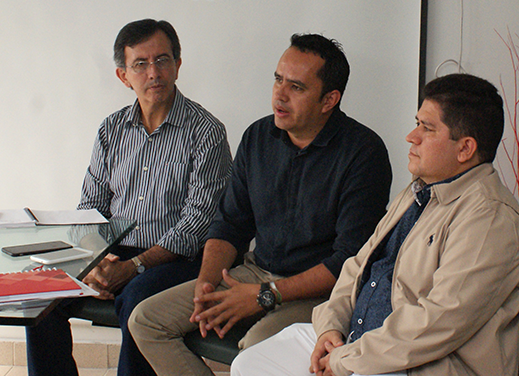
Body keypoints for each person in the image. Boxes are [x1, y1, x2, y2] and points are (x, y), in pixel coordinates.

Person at [229, 73, 519, 376]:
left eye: (427, 128)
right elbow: (357, 266)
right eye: (416, 123)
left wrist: (347, 359)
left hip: (421, 365)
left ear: (465, 149)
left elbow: (435, 324)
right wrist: (330, 329)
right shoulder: (420, 190)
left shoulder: (490, 220)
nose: (412, 136)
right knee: (250, 365)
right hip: (363, 343)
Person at [129, 33, 392, 376]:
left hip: (320, 290)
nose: (279, 95)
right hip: (256, 270)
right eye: (278, 79)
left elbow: (347, 261)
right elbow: (230, 223)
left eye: (296, 87)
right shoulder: (257, 136)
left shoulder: (363, 153)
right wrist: (205, 285)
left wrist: (265, 295)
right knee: (146, 320)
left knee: (256, 351)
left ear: (329, 99)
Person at [26, 19, 233, 376]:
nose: (154, 73)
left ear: (178, 66)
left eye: (163, 60)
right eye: (141, 64)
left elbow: (198, 224)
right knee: (37, 288)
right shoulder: (111, 129)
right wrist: (96, 265)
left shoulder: (206, 132)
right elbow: (89, 211)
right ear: (123, 76)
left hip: (177, 259)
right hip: (112, 255)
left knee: (138, 299)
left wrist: (133, 268)